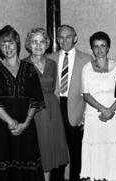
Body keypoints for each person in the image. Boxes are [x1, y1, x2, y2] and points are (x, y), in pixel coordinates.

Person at [0, 25, 45, 181]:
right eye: (3, 44)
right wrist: (11, 122)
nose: (7, 47)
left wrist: (25, 124)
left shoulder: (30, 68)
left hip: (26, 127)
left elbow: (35, 99)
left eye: (10, 43)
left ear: (17, 43)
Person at [80, 31, 116, 181]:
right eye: (96, 46)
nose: (100, 49)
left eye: (103, 45)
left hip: (115, 114)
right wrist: (103, 110)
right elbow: (86, 94)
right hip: (94, 115)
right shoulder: (86, 68)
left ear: (108, 48)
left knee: (112, 150)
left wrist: (111, 110)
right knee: (96, 150)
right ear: (92, 49)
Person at [23, 27, 69, 181]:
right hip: (33, 111)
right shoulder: (23, 64)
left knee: (49, 150)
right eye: (34, 42)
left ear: (47, 44)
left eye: (42, 41)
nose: (38, 45)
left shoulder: (52, 64)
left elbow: (53, 87)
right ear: (28, 44)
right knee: (36, 150)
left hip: (51, 111)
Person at [48, 24, 92, 181]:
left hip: (77, 111)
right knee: (57, 154)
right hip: (55, 110)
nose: (64, 40)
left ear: (75, 38)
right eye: (60, 37)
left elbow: (91, 90)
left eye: (68, 36)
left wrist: (87, 116)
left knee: (77, 155)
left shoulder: (87, 59)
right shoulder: (49, 58)